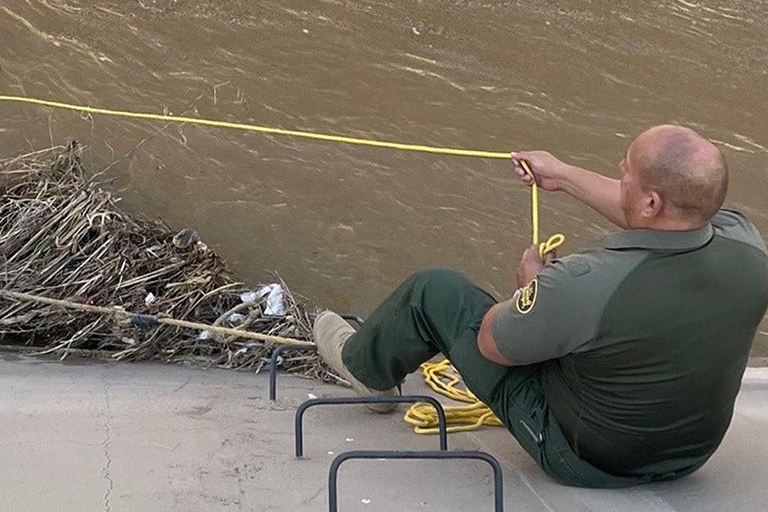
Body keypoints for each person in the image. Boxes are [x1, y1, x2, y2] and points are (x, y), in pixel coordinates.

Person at [315, 125, 768, 488]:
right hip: (690, 454)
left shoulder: (588, 283)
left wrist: (531, 286)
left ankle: (366, 371)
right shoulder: (748, 247)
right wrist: (563, 176)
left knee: (435, 290)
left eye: (625, 170)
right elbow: (665, 217)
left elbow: (493, 344)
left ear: (651, 201)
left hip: (585, 459)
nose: (618, 172)